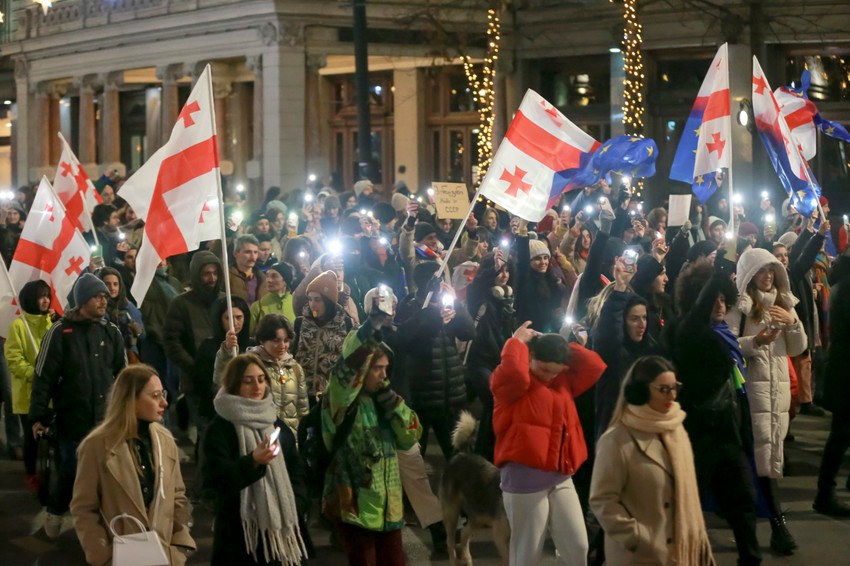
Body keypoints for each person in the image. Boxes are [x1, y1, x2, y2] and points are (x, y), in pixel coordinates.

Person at [665, 260, 762, 565]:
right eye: (713, 298)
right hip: (697, 434)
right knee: (687, 509)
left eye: (723, 299)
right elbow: (697, 315)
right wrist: (719, 271)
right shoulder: (687, 330)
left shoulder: (723, 334)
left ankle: (751, 559)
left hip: (726, 432)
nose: (720, 305)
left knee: (743, 499)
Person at [491, 321, 606, 565]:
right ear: (530, 355)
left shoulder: (561, 381)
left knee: (577, 547)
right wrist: (516, 342)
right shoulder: (514, 383)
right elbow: (514, 372)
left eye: (555, 371)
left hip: (560, 474)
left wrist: (558, 345)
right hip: (524, 477)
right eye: (544, 369)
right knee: (527, 554)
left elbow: (594, 366)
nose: (549, 375)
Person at [591, 356, 714, 566]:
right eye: (664, 389)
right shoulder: (617, 440)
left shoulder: (676, 427)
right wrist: (638, 538)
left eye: (675, 388)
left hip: (681, 554)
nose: (672, 396)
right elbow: (602, 501)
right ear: (640, 391)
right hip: (641, 557)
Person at [29, 273, 127, 537]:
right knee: (72, 471)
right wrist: (39, 416)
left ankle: (103, 527)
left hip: (106, 419)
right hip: (73, 418)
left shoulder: (111, 332)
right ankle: (55, 512)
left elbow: (123, 375)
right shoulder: (60, 332)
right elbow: (43, 377)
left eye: (105, 296)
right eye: (97, 296)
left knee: (109, 473)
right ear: (82, 300)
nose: (103, 301)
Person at [322, 315, 422, 565]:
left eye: (386, 368)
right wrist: (369, 331)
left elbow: (411, 435)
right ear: (364, 369)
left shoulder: (385, 399)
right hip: (355, 507)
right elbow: (346, 369)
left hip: (389, 506)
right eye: (377, 368)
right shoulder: (342, 401)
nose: (383, 374)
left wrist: (394, 405)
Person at [70, 365, 196, 565]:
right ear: (131, 401)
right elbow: (83, 508)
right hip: (120, 557)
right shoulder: (96, 446)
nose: (164, 402)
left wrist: (180, 545)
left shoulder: (165, 440)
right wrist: (101, 554)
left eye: (163, 394)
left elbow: (177, 497)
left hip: (164, 556)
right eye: (155, 396)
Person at [727, 248, 807, 555]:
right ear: (749, 275)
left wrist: (792, 322)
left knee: (769, 456)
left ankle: (764, 525)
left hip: (778, 392)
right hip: (750, 392)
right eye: (762, 270)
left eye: (772, 270)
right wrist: (756, 341)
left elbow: (797, 348)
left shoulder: (784, 304)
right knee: (760, 460)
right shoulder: (741, 306)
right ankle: (776, 525)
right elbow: (727, 344)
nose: (768, 275)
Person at [202, 354, 307, 565]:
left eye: (261, 379)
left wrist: (296, 501)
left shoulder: (275, 422)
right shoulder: (219, 428)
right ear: (234, 384)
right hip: (241, 531)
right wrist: (252, 462)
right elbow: (215, 480)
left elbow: (296, 470)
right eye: (247, 381)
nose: (257, 386)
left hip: (281, 528)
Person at [6, 279, 53, 492]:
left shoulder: (52, 324)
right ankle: (31, 474)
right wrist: (34, 375)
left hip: (51, 393)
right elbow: (14, 359)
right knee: (31, 437)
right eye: (41, 296)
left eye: (47, 296)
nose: (45, 300)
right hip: (28, 394)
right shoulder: (18, 325)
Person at [814, 254, 850, 516]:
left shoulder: (842, 283)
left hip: (842, 368)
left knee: (842, 432)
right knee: (840, 434)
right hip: (846, 371)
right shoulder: (847, 287)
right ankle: (824, 494)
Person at [292, 270, 354, 405]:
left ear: (328, 301)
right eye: (310, 299)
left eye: (317, 300)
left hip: (331, 396)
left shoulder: (346, 324)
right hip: (302, 394)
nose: (312, 304)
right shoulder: (300, 323)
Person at [247, 315, 309, 437]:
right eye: (276, 340)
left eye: (286, 340)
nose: (282, 346)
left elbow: (302, 408)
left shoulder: (295, 368)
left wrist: (302, 437)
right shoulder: (252, 365)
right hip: (262, 437)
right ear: (262, 340)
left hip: (291, 439)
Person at [97, 267, 145, 363]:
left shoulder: (128, 306)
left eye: (115, 284)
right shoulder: (96, 305)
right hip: (104, 356)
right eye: (107, 284)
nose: (112, 288)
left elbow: (142, 335)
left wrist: (137, 331)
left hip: (128, 356)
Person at [250, 262, 297, 328]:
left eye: (274, 276)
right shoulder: (258, 307)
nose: (268, 280)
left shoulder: (296, 304)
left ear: (285, 280)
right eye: (267, 276)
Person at [229, 234, 268, 306]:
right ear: (235, 253)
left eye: (255, 252)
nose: (253, 257)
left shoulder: (262, 278)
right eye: (248, 252)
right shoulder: (227, 276)